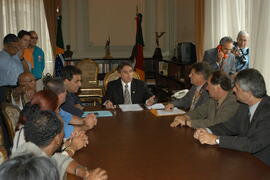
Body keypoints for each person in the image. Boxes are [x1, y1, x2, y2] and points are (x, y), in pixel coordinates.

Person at [194, 69, 270, 166]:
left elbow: (253, 143)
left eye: (237, 88)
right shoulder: (244, 105)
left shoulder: (267, 112)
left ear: (249, 93)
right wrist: (207, 131)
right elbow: (229, 126)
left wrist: (216, 139)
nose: (233, 89)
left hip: (263, 166)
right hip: (245, 160)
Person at [11, 110, 108, 180]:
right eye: (63, 131)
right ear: (57, 139)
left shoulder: (27, 148)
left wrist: (83, 172)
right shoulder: (39, 173)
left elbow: (57, 159)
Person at [170, 71, 239, 128]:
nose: (206, 88)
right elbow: (199, 112)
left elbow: (216, 123)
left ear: (217, 86)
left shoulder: (233, 101)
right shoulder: (213, 99)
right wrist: (185, 117)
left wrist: (188, 122)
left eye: (208, 85)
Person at [0, 34, 24, 103]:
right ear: (5, 46)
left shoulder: (18, 57)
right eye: (14, 47)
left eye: (17, 47)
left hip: (19, 88)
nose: (16, 49)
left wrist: (22, 58)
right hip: (4, 90)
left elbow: (26, 71)